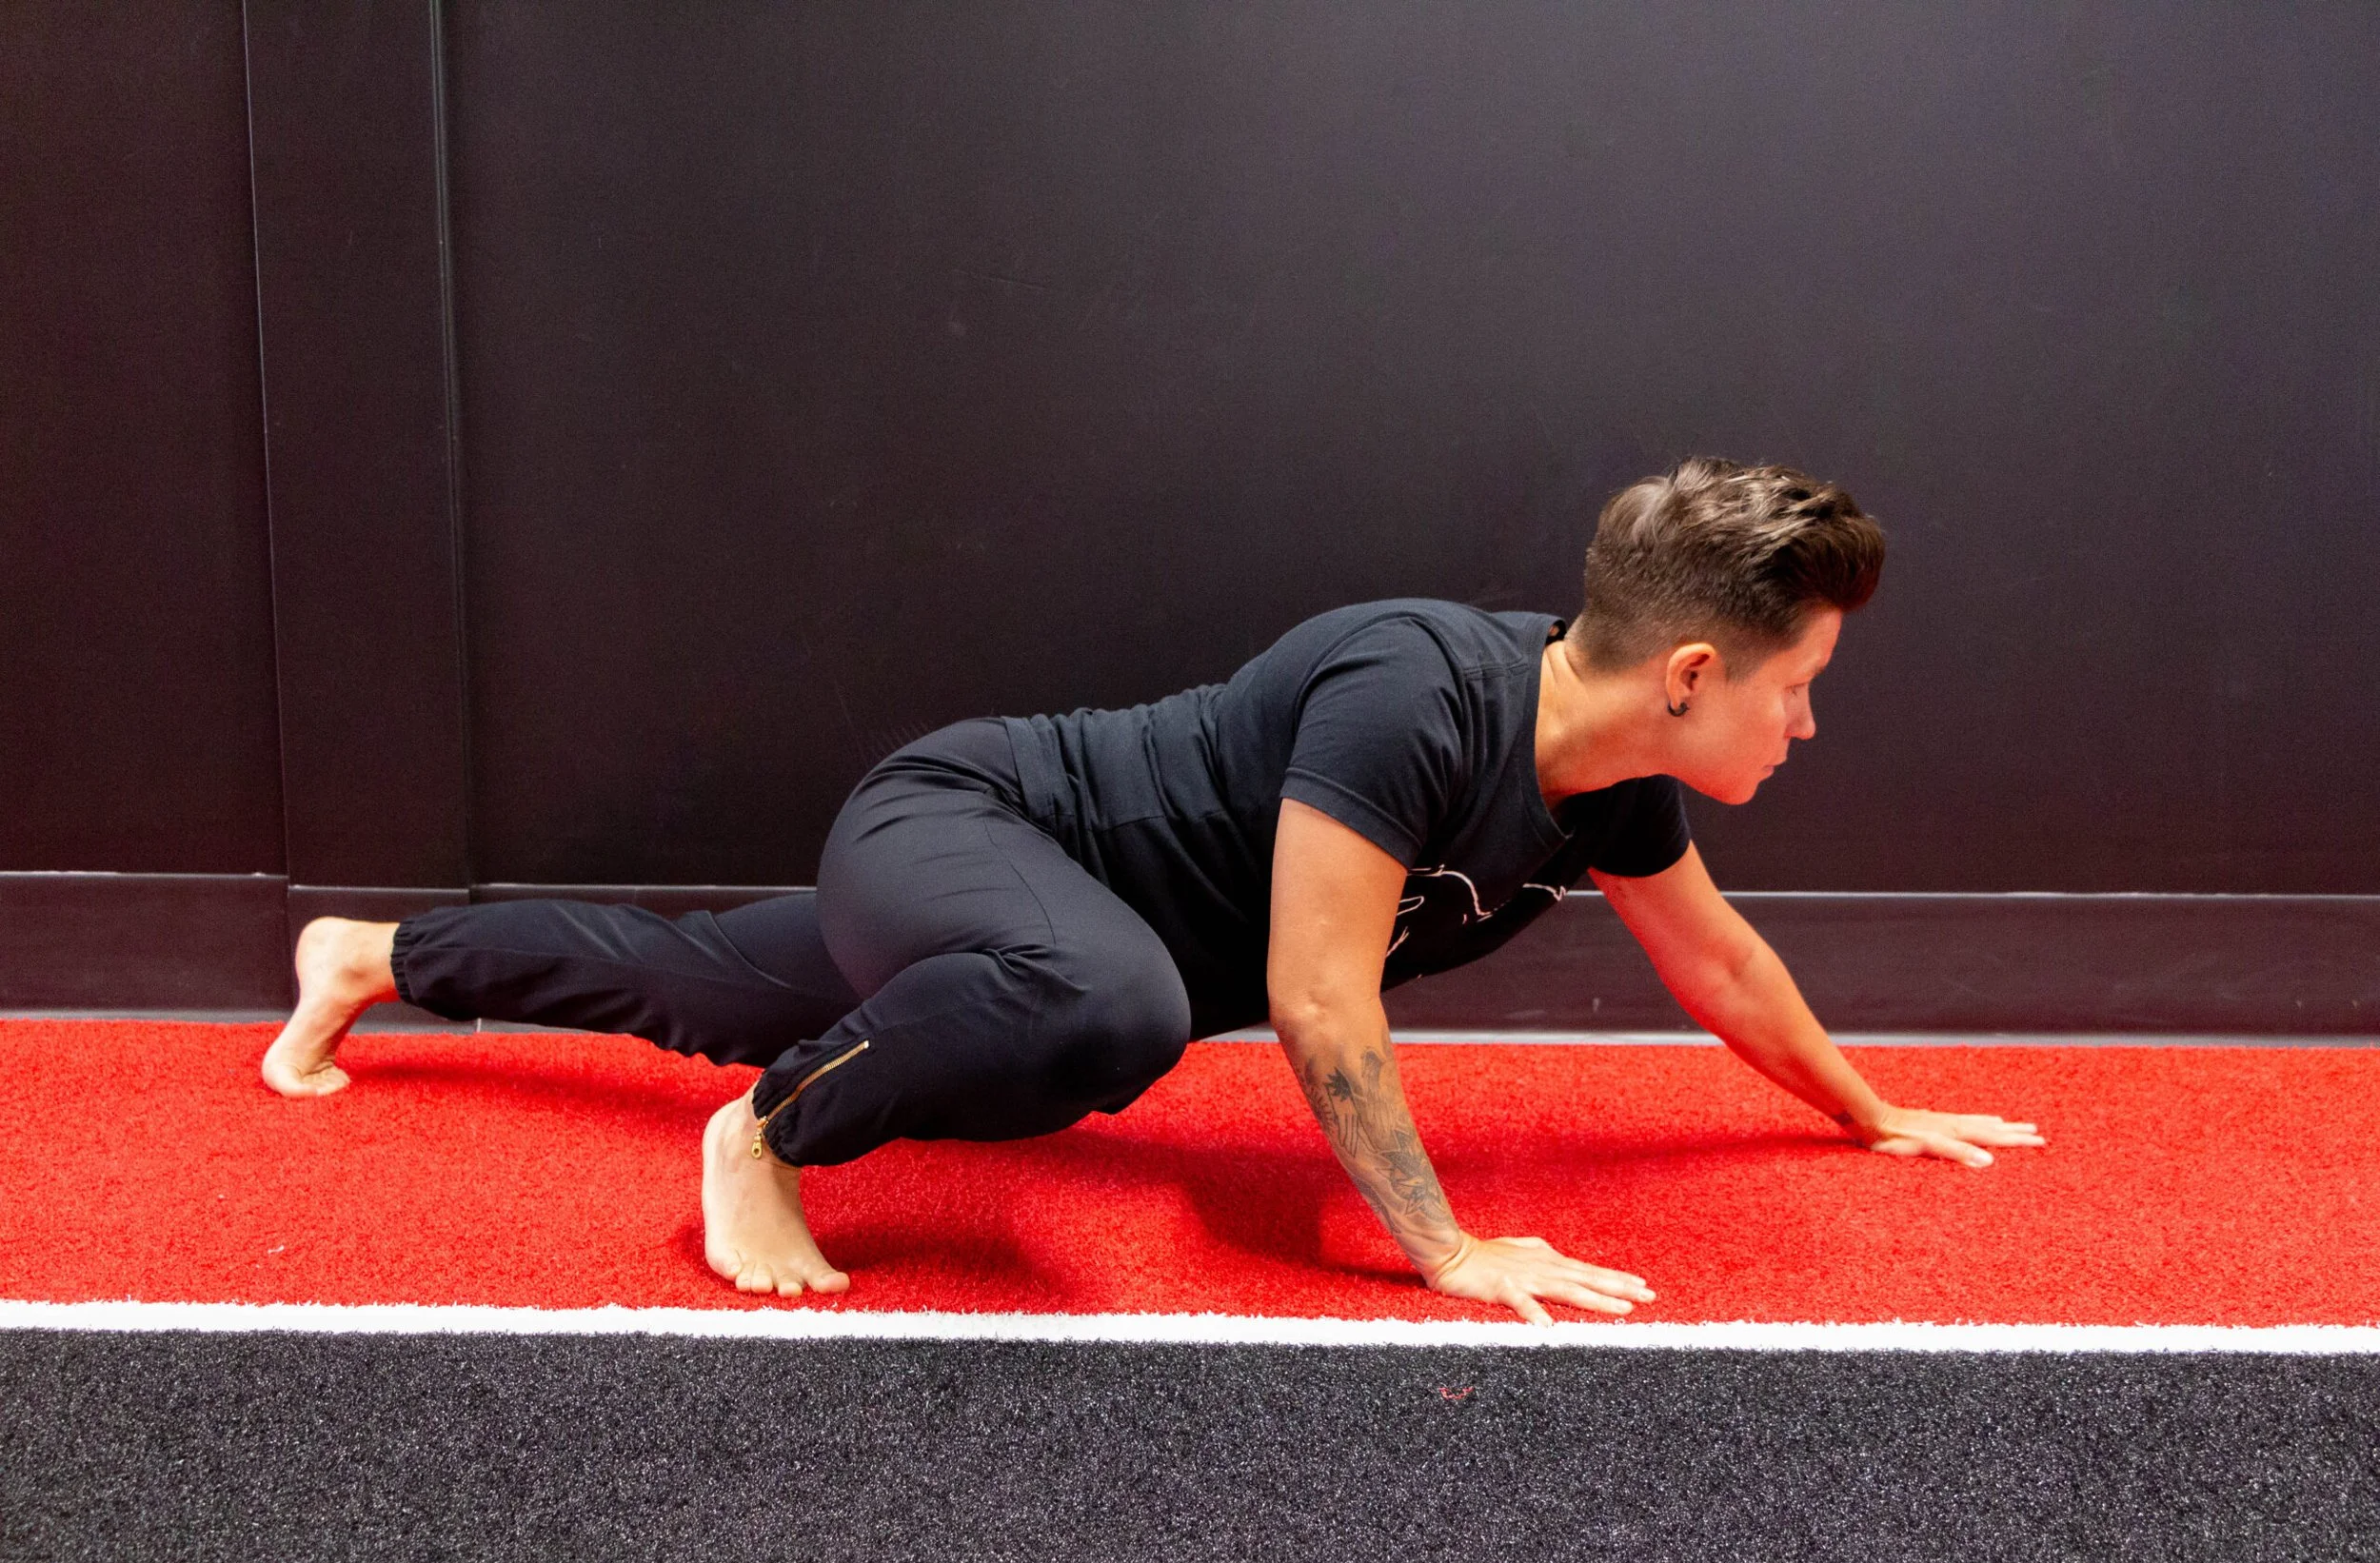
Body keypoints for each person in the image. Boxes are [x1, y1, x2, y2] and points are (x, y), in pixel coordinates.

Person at [260, 457, 2043, 1324]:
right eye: (1797, 686)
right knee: (1113, 1008)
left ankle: (373, 954)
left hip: (1011, 930)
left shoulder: (1614, 786)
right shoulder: (1420, 691)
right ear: (1691, 672)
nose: (1807, 724)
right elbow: (1319, 995)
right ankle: (771, 1134)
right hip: (964, 822)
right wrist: (1446, 1244)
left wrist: (1871, 1110)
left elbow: (1718, 961)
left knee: (693, 978)